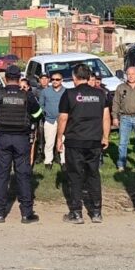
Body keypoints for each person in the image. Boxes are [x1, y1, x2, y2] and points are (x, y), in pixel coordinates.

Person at [0, 65, 43, 224]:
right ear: (19, 78)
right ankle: (27, 214)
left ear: (6, 77)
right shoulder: (27, 96)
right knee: (23, 175)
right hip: (21, 139)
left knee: (2, 176)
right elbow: (38, 115)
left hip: (3, 138)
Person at [56, 63, 111, 223]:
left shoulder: (69, 94)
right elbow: (106, 117)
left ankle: (76, 213)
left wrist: (59, 138)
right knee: (93, 175)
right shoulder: (100, 94)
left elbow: (63, 118)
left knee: (75, 176)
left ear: (74, 77)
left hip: (75, 141)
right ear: (88, 77)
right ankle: (96, 212)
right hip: (94, 140)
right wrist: (106, 136)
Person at [37, 69, 65, 167]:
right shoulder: (45, 91)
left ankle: (63, 161)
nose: (55, 81)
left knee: (63, 141)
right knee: (49, 142)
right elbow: (41, 105)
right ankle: (48, 161)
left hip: (63, 121)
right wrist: (46, 114)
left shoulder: (66, 92)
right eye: (53, 79)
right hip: (49, 120)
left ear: (61, 80)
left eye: (57, 79)